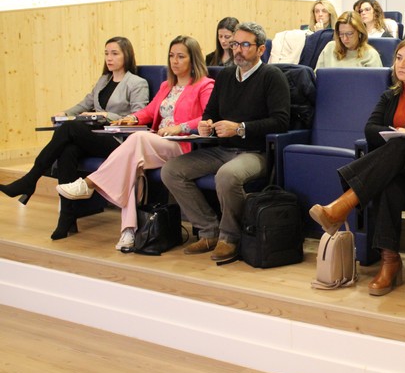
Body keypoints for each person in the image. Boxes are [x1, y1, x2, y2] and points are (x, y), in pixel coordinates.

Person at [309, 37, 405, 296]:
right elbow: (370, 129)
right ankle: (389, 259)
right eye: (398, 58)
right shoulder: (390, 96)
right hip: (398, 168)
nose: (401, 64)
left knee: (402, 146)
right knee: (390, 180)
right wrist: (399, 131)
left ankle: (343, 204)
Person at [55, 36, 214, 250]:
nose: (174, 61)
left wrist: (180, 127)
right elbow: (149, 111)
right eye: (171, 56)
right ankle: (128, 232)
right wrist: (132, 118)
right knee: (130, 167)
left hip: (181, 145)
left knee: (137, 139)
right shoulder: (167, 86)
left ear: (193, 59)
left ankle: (90, 184)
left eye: (181, 57)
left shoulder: (204, 85)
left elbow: (208, 116)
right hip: (157, 143)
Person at [161, 22, 290, 262]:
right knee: (171, 170)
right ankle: (208, 230)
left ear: (261, 49)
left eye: (245, 45)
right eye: (234, 44)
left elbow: (281, 122)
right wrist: (206, 124)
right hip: (222, 149)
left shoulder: (272, 76)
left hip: (256, 152)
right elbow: (210, 112)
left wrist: (240, 128)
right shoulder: (226, 76)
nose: (237, 50)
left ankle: (230, 236)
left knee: (227, 175)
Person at [0, 37, 149, 240]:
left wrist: (106, 115)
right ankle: (67, 217)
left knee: (70, 128)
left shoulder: (137, 83)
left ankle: (30, 179)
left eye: (115, 53)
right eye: (106, 53)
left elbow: (139, 116)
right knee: (68, 151)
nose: (109, 58)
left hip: (119, 142)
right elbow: (84, 104)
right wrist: (64, 114)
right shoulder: (103, 81)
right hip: (96, 138)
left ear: (127, 55)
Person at [315, 12, 382, 70]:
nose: (345, 38)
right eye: (341, 34)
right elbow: (317, 77)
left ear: (360, 33)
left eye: (349, 34)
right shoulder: (330, 48)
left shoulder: (371, 55)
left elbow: (376, 80)